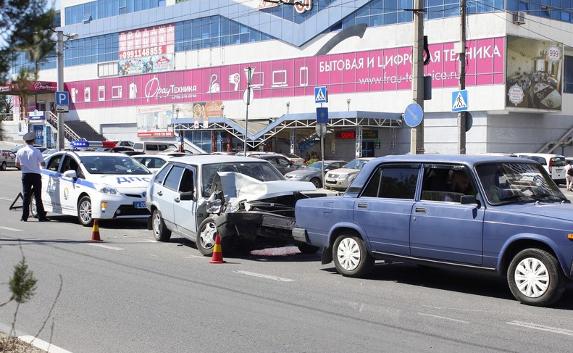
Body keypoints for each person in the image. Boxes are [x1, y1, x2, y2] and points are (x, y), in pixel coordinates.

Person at [15, 132, 48, 222]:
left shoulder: (20, 151)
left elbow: (17, 164)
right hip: (36, 175)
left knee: (26, 196)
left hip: (25, 175)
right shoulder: (36, 151)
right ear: (33, 141)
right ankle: (41, 216)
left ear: (25, 141)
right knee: (38, 196)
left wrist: (24, 167)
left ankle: (24, 217)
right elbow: (42, 163)